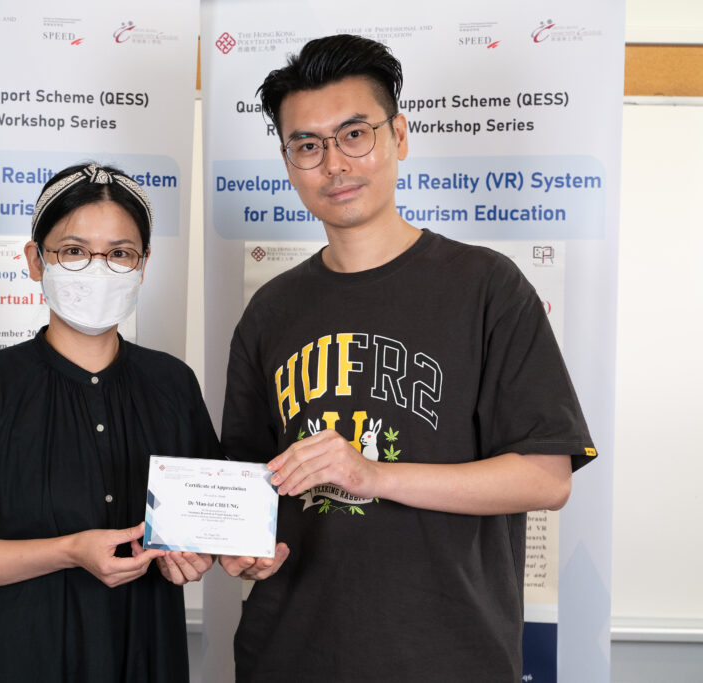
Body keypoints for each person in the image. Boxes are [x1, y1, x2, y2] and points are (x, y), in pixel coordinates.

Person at [218, 35, 597, 682]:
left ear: (398, 135)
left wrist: (375, 475)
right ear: (288, 162)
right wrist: (244, 549)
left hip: (449, 655)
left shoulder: (486, 287)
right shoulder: (270, 311)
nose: (334, 164)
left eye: (354, 134)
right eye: (308, 146)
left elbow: (546, 479)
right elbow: (251, 488)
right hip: (290, 654)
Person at [0, 163, 220, 682]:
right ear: (35, 260)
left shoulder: (172, 383)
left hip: (137, 655)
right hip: (10, 659)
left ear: (143, 265)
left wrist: (196, 553)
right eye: (73, 251)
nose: (98, 269)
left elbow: (206, 523)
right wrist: (69, 551)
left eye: (120, 253)